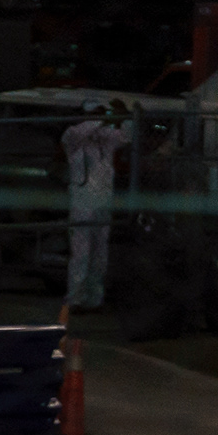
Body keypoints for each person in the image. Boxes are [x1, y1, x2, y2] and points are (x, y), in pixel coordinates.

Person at [60, 107, 126, 317]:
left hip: (103, 203)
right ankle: (75, 299)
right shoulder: (73, 136)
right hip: (82, 204)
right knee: (81, 253)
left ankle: (94, 300)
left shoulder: (104, 138)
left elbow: (126, 137)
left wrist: (125, 117)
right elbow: (80, 131)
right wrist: (102, 119)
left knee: (100, 254)